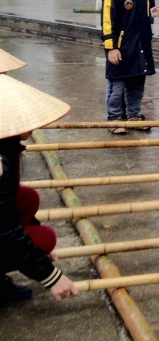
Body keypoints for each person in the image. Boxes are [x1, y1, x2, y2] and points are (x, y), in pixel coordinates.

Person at [0, 74, 80, 303]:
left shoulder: (7, 146)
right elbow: (5, 230)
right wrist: (50, 276)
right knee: (44, 238)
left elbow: (7, 208)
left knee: (27, 197)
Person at [102, 0, 159, 134]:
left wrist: (150, 14)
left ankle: (134, 116)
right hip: (121, 48)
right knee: (117, 86)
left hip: (140, 47)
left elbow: (140, 16)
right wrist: (111, 48)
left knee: (137, 85)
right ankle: (114, 118)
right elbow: (107, 23)